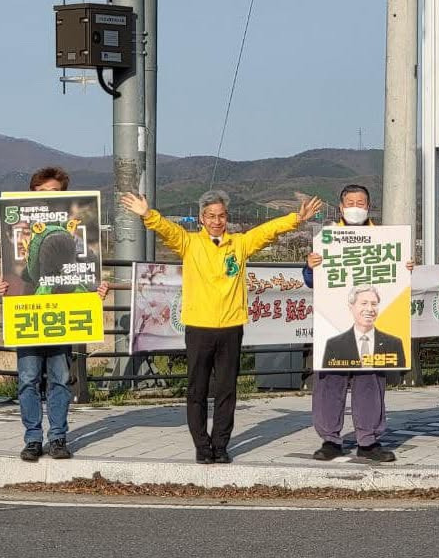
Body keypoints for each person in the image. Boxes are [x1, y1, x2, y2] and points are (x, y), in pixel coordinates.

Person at [120, 188, 322, 464]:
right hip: (199, 327)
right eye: (211, 216)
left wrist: (296, 219)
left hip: (231, 326)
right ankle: (202, 446)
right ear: (202, 218)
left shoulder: (239, 244)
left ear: (227, 217)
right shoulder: (189, 243)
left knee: (227, 390)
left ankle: (221, 444)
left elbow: (267, 232)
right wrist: (148, 215)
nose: (216, 221)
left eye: (221, 216)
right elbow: (168, 230)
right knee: (197, 390)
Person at [0, 167, 109, 463]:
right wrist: (4, 285)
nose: (47, 200)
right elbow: (17, 274)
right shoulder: (15, 236)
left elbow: (89, 273)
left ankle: (57, 437)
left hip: (64, 314)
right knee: (28, 378)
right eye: (41, 194)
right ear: (31, 195)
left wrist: (97, 290)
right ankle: (33, 438)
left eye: (54, 194)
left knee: (61, 378)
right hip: (29, 315)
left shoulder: (79, 241)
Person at [303, 184, 411, 464]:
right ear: (340, 208)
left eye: (360, 202)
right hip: (334, 324)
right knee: (329, 381)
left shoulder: (385, 239)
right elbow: (312, 281)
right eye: (350, 202)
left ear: (369, 206)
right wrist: (310, 266)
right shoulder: (327, 238)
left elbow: (397, 278)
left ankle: (369, 440)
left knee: (370, 382)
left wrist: (406, 266)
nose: (355, 207)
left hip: (373, 332)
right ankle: (330, 439)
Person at [321, 286, 407, 370]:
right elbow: (328, 377)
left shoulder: (394, 343)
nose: (370, 309)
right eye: (364, 303)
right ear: (351, 307)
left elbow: (400, 374)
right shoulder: (334, 345)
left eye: (374, 304)